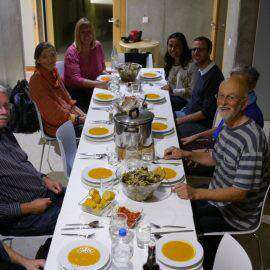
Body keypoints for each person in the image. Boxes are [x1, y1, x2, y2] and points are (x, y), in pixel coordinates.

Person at [164, 76, 269, 269]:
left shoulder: (252, 140)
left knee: (184, 227)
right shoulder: (229, 124)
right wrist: (186, 153)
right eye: (221, 96)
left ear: (244, 103)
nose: (223, 102)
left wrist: (196, 193)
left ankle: (206, 261)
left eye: (230, 98)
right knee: (174, 206)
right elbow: (215, 157)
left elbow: (239, 192)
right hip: (217, 195)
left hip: (235, 215)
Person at [0, 85, 65, 236]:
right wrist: (30, 207)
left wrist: (44, 178)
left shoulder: (5, 131)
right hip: (21, 217)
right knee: (76, 221)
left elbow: (23, 164)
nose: (3, 112)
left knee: (81, 199)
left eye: (5, 106)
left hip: (42, 192)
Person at [181, 66, 264, 176]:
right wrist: (196, 137)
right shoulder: (234, 110)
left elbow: (228, 160)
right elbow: (221, 130)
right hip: (216, 148)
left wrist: (204, 153)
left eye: (236, 83)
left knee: (181, 160)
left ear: (251, 87)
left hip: (220, 160)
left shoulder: (251, 120)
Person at [29, 42, 86, 137]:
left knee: (90, 114)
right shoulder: (37, 80)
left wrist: (78, 111)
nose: (50, 60)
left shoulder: (53, 71)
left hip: (66, 114)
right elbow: (53, 113)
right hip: (56, 125)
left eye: (52, 55)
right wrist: (78, 119)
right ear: (38, 60)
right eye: (44, 57)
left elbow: (66, 96)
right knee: (88, 129)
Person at [175, 36, 224, 138]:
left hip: (201, 124)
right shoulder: (201, 69)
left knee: (170, 130)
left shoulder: (214, 77)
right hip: (187, 111)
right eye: (194, 49)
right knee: (162, 117)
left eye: (200, 49)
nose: (196, 52)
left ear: (209, 51)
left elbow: (205, 113)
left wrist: (179, 120)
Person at [63, 17, 108, 112]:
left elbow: (102, 68)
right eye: (83, 32)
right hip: (76, 91)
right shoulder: (71, 52)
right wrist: (98, 84)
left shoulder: (97, 46)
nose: (87, 35)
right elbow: (76, 80)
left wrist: (109, 75)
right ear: (77, 34)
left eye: (89, 32)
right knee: (95, 111)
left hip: (92, 86)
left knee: (110, 104)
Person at [162, 32, 198, 112]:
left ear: (183, 47)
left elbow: (193, 91)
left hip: (185, 101)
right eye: (170, 46)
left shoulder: (192, 65)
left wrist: (172, 91)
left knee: (161, 104)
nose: (172, 49)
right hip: (172, 95)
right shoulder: (170, 60)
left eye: (176, 46)